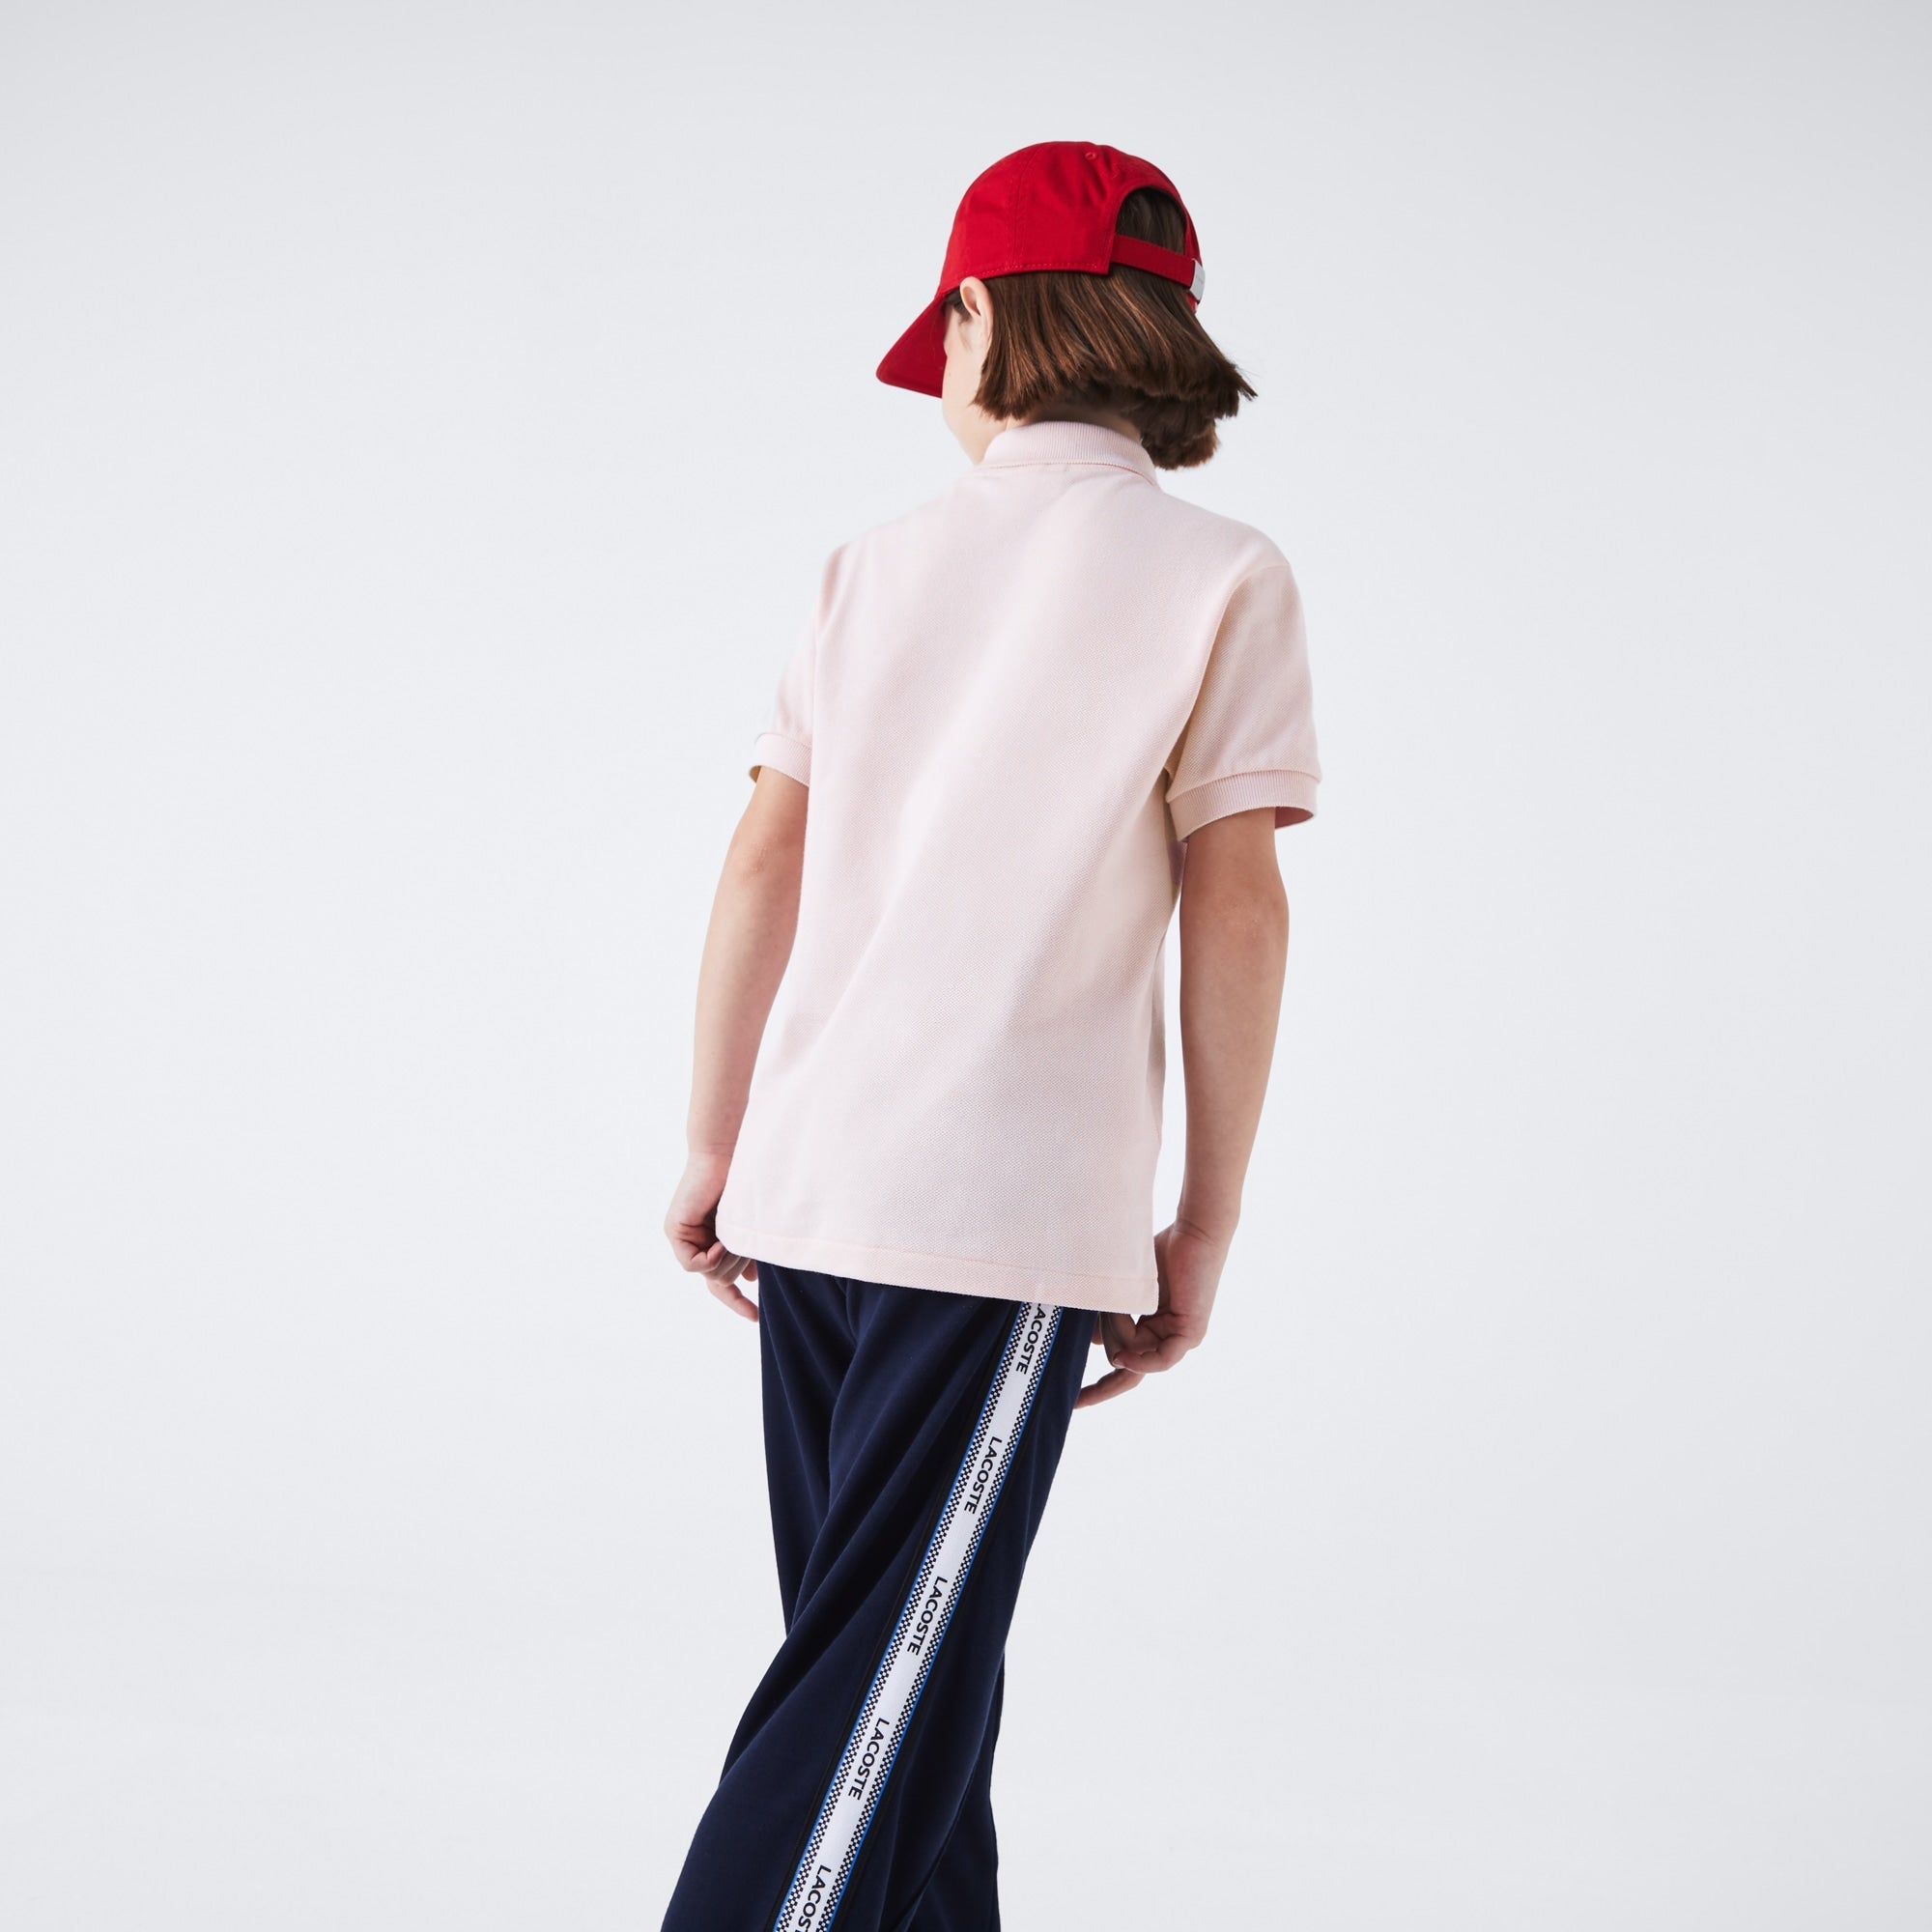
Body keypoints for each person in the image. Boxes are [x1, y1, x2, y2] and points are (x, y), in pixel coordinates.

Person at [660, 140, 1321, 1931]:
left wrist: (713, 1145)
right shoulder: (1223, 575)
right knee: (872, 1708)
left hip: (812, 1192)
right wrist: (1203, 1224)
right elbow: (1239, 910)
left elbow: (758, 864)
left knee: (897, 1689)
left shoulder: (867, 570)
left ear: (973, 320)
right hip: (1004, 1221)